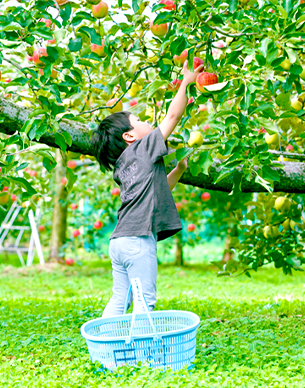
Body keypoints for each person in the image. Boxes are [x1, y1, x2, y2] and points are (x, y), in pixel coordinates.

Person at [90, 59, 205, 317]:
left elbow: (157, 189)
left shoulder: (124, 165)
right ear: (130, 136)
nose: (146, 122)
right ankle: (143, 356)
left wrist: (179, 170)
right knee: (145, 301)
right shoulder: (143, 148)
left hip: (119, 241)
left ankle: (110, 351)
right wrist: (186, 82)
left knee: (121, 299)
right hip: (139, 240)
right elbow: (173, 116)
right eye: (139, 119)